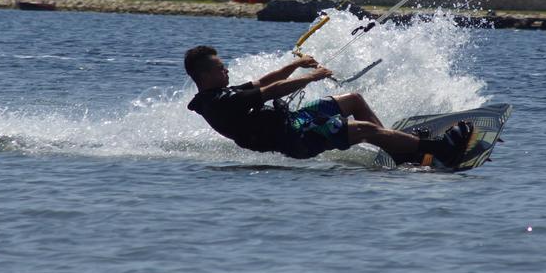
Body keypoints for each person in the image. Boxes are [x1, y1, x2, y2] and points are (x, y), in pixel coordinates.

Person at [184, 45, 472, 166]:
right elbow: (271, 91)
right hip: (294, 140)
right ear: (205, 75)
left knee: (353, 101)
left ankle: (398, 149)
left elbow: (263, 81)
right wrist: (312, 77)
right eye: (221, 69)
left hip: (294, 122)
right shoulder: (218, 103)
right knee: (363, 129)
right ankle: (439, 149)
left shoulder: (223, 92)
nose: (227, 72)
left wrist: (296, 65)